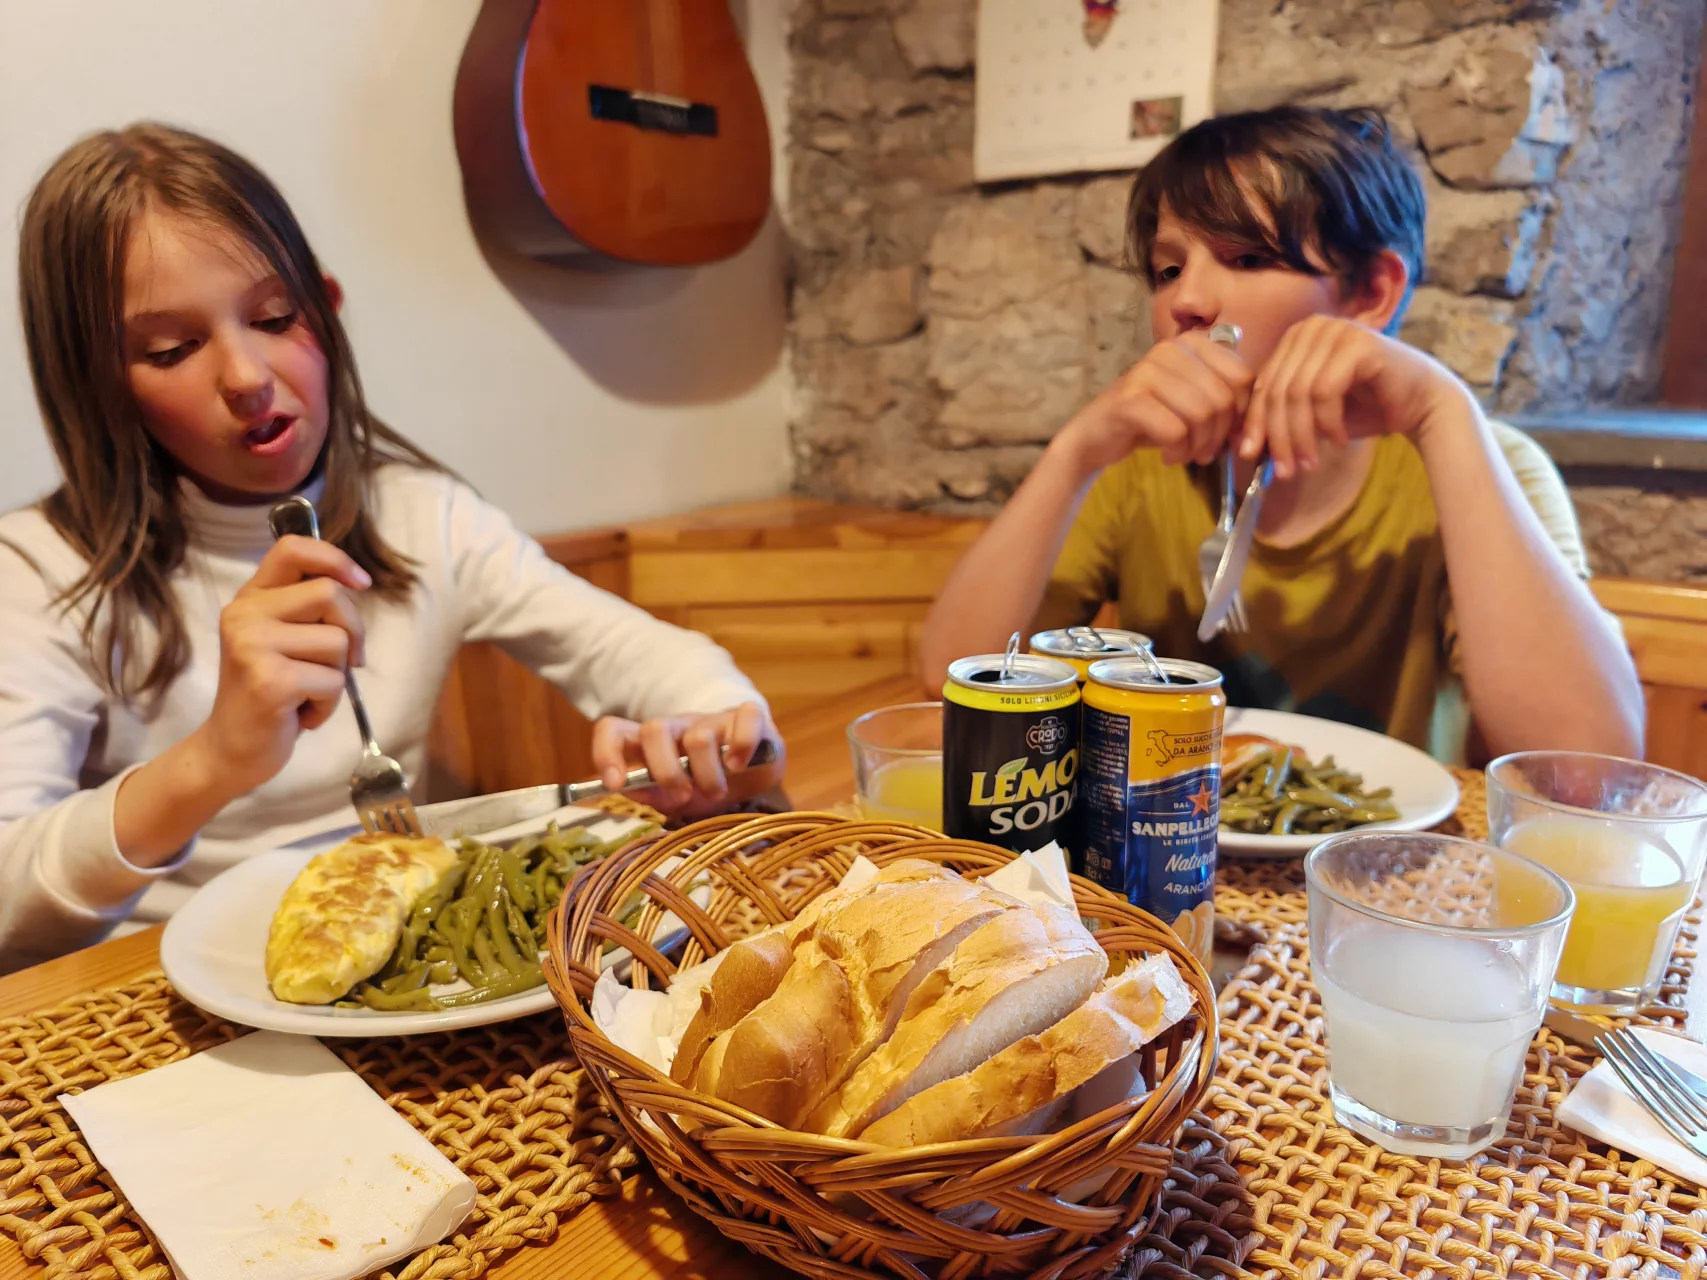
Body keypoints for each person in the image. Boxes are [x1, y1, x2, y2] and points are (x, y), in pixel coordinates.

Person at [0, 124, 784, 971]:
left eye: (273, 316)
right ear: (100, 385)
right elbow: (11, 900)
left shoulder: (423, 519)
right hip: (158, 999)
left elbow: (648, 657)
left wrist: (714, 730)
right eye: (172, 349)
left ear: (327, 310)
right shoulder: (41, 571)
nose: (246, 376)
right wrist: (214, 759)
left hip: (415, 965)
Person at [919, 106, 1642, 764]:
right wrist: (1074, 450)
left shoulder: (1475, 465)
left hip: (1381, 875)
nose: (1188, 302)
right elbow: (947, 676)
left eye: (1246, 258)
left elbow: (1585, 764)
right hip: (1153, 860)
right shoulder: (1139, 470)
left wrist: (1441, 410)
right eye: (1167, 269)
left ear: (1370, 294)